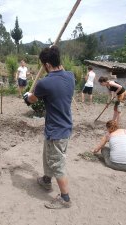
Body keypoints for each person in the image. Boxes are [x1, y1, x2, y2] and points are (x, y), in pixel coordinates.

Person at [23, 46, 75, 209]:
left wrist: (26, 97)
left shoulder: (44, 83)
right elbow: (60, 76)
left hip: (57, 131)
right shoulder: (71, 76)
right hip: (62, 126)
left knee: (57, 165)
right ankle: (46, 180)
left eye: (43, 64)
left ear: (46, 64)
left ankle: (65, 199)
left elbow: (32, 100)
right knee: (48, 156)